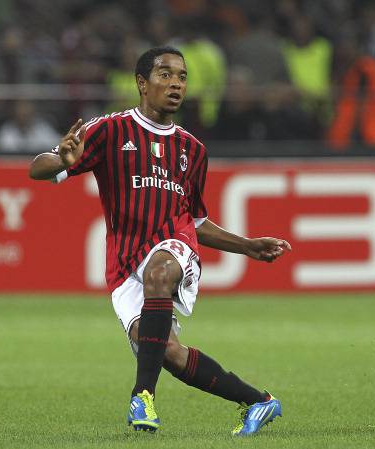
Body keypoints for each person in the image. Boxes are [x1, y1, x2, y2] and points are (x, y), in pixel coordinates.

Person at [28, 46, 291, 436]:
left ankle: (142, 396)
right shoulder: (109, 130)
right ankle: (259, 401)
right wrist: (63, 161)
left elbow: (194, 222)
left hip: (172, 247)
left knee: (160, 271)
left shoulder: (193, 150)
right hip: (124, 263)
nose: (176, 84)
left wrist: (246, 246)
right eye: (165, 74)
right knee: (168, 352)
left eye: (182, 77)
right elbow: (37, 169)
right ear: (141, 83)